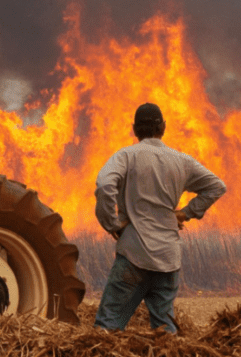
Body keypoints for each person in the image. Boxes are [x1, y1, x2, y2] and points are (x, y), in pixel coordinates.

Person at [93, 102, 227, 333]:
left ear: (134, 129)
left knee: (107, 329)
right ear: (163, 127)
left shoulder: (126, 156)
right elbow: (216, 186)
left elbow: (105, 185)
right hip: (168, 259)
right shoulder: (181, 161)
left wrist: (111, 224)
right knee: (165, 333)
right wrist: (185, 213)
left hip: (134, 255)